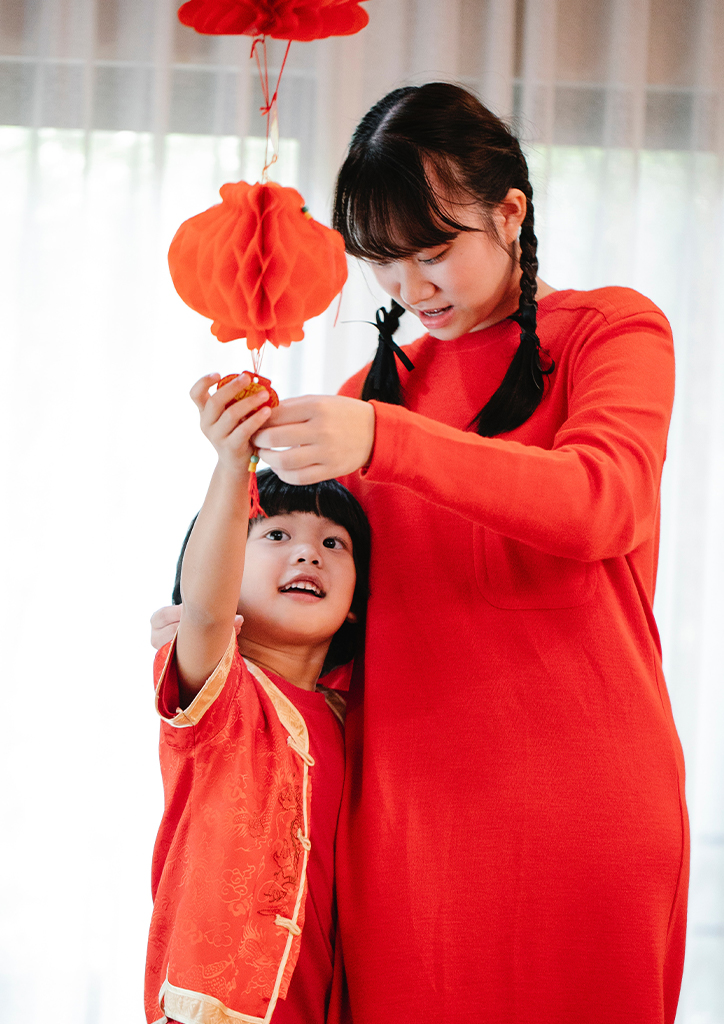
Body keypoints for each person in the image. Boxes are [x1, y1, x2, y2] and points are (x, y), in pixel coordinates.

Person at [152, 83, 687, 1024]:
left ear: (509, 210)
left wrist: (386, 442)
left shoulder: (610, 331)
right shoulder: (368, 397)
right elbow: (327, 619)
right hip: (405, 827)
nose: (410, 290)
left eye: (434, 252)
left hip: (587, 806)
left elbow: (604, 502)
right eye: (383, 263)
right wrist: (218, 620)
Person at [145, 373, 370, 1024]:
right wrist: (231, 461)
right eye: (275, 535)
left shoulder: (347, 717)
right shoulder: (222, 697)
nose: (309, 552)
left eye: (334, 544)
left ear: (356, 608)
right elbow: (207, 612)